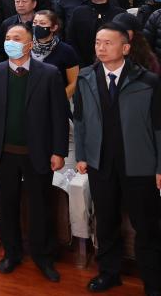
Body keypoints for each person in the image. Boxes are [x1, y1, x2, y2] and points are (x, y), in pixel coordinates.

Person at [73, 25, 161, 294]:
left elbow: (158, 127)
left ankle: (153, 280)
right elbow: (80, 121)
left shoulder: (148, 81)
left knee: (146, 224)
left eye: (107, 43)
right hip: (100, 163)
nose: (100, 48)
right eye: (97, 42)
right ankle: (109, 273)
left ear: (125, 48)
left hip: (140, 164)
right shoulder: (86, 77)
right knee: (106, 221)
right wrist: (82, 155)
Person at [0, 24, 68, 282]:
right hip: (3, 152)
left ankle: (43, 256)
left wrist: (59, 151)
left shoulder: (49, 73)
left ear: (29, 44)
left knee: (40, 206)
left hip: (38, 152)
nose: (10, 42)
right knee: (7, 205)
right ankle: (12, 253)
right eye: (7, 38)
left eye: (16, 38)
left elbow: (59, 116)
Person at [67, 0, 124, 67]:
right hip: (82, 63)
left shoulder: (119, 13)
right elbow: (71, 39)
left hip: (113, 62)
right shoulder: (78, 12)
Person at [31, 10, 81, 98]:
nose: (37, 26)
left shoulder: (66, 50)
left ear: (54, 27)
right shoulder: (26, 47)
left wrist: (58, 100)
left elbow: (74, 82)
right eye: (35, 23)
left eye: (42, 23)